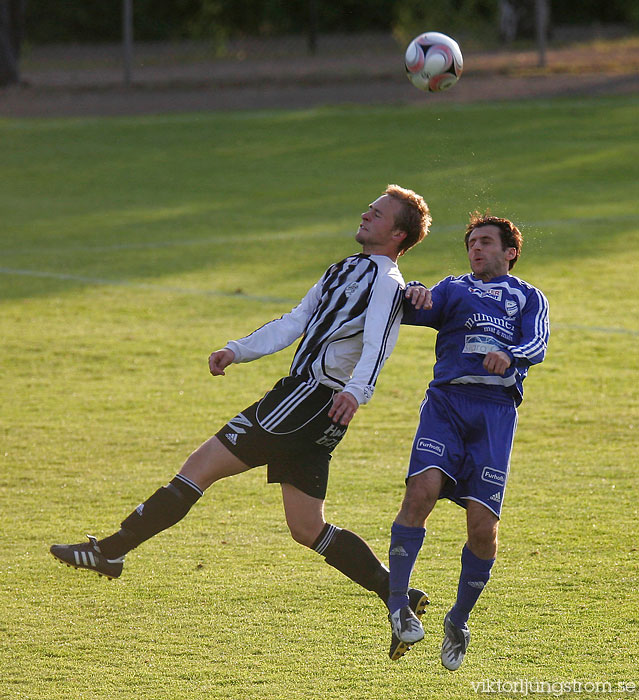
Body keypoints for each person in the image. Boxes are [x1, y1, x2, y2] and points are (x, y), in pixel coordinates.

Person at [50, 185, 433, 638]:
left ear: (398, 234)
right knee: (307, 527)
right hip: (317, 409)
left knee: (199, 469)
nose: (366, 214)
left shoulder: (388, 282)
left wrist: (357, 390)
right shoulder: (343, 270)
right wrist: (239, 349)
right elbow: (294, 321)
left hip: (306, 399)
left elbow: (378, 342)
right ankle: (399, 596)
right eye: (370, 208)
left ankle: (111, 551)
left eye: (378, 213)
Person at [386, 213, 549, 668]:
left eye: (485, 242)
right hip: (447, 406)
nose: (475, 249)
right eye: (471, 243)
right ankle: (398, 606)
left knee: (483, 529)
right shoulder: (455, 288)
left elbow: (537, 344)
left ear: (510, 251)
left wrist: (510, 353)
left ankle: (458, 619)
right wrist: (414, 289)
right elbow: (417, 307)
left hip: (495, 416)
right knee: (420, 493)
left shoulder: (529, 297)